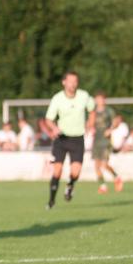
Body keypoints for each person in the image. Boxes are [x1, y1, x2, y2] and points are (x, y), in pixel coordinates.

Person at [42, 71, 95, 209]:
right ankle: (51, 201)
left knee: (75, 172)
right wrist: (54, 128)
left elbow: (92, 109)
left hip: (77, 138)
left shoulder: (84, 96)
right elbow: (48, 119)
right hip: (61, 139)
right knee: (57, 171)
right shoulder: (57, 98)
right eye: (70, 81)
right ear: (64, 82)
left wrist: (90, 123)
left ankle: (70, 185)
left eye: (75, 81)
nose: (73, 84)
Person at [91, 91, 123, 194]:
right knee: (96, 166)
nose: (100, 101)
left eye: (102, 99)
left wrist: (110, 129)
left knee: (104, 165)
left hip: (105, 141)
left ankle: (116, 177)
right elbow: (90, 123)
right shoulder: (93, 111)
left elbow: (116, 121)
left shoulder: (109, 111)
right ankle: (103, 186)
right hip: (96, 141)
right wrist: (89, 128)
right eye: (98, 99)